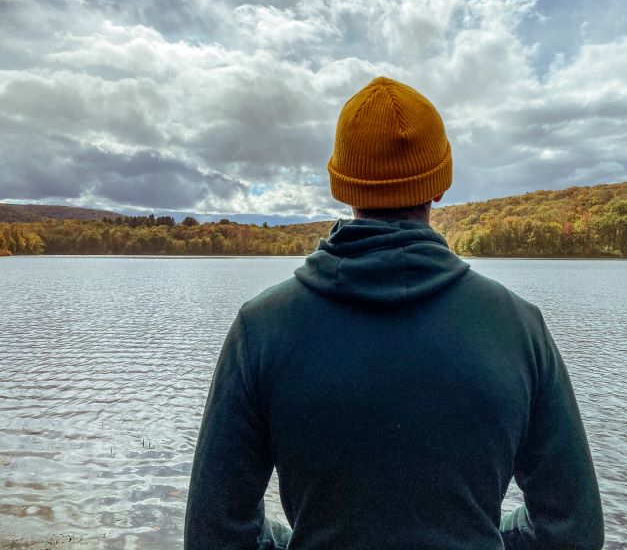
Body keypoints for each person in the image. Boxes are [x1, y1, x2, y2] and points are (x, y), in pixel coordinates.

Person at [184, 77, 604, 549]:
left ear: (341, 184)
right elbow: (573, 530)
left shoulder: (259, 329)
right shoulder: (520, 328)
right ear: (440, 185)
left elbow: (214, 535)